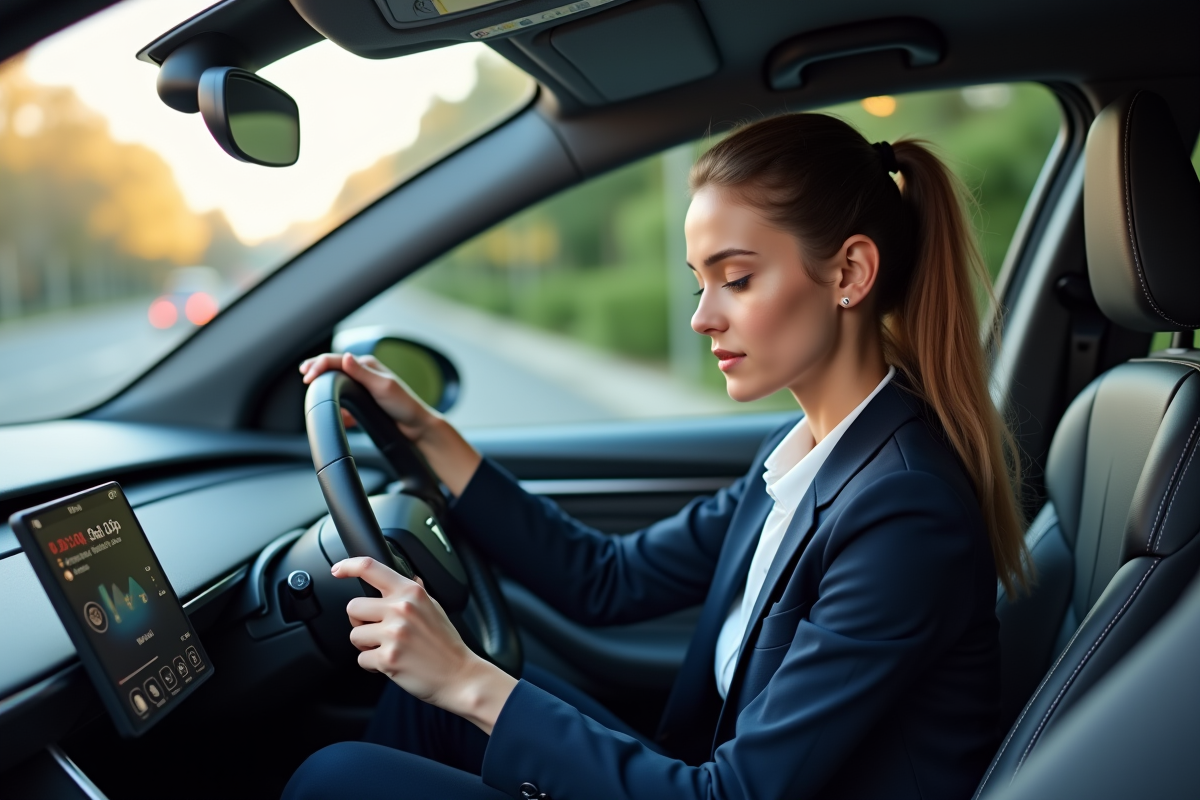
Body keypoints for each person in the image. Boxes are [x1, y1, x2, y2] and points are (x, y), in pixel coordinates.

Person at [283, 112, 1027, 800]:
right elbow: (607, 581)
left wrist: (465, 678)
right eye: (699, 281)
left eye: (736, 279)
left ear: (848, 274)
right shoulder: (803, 454)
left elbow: (734, 793)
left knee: (336, 774)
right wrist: (423, 433)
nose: (703, 317)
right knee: (423, 707)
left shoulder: (904, 509)